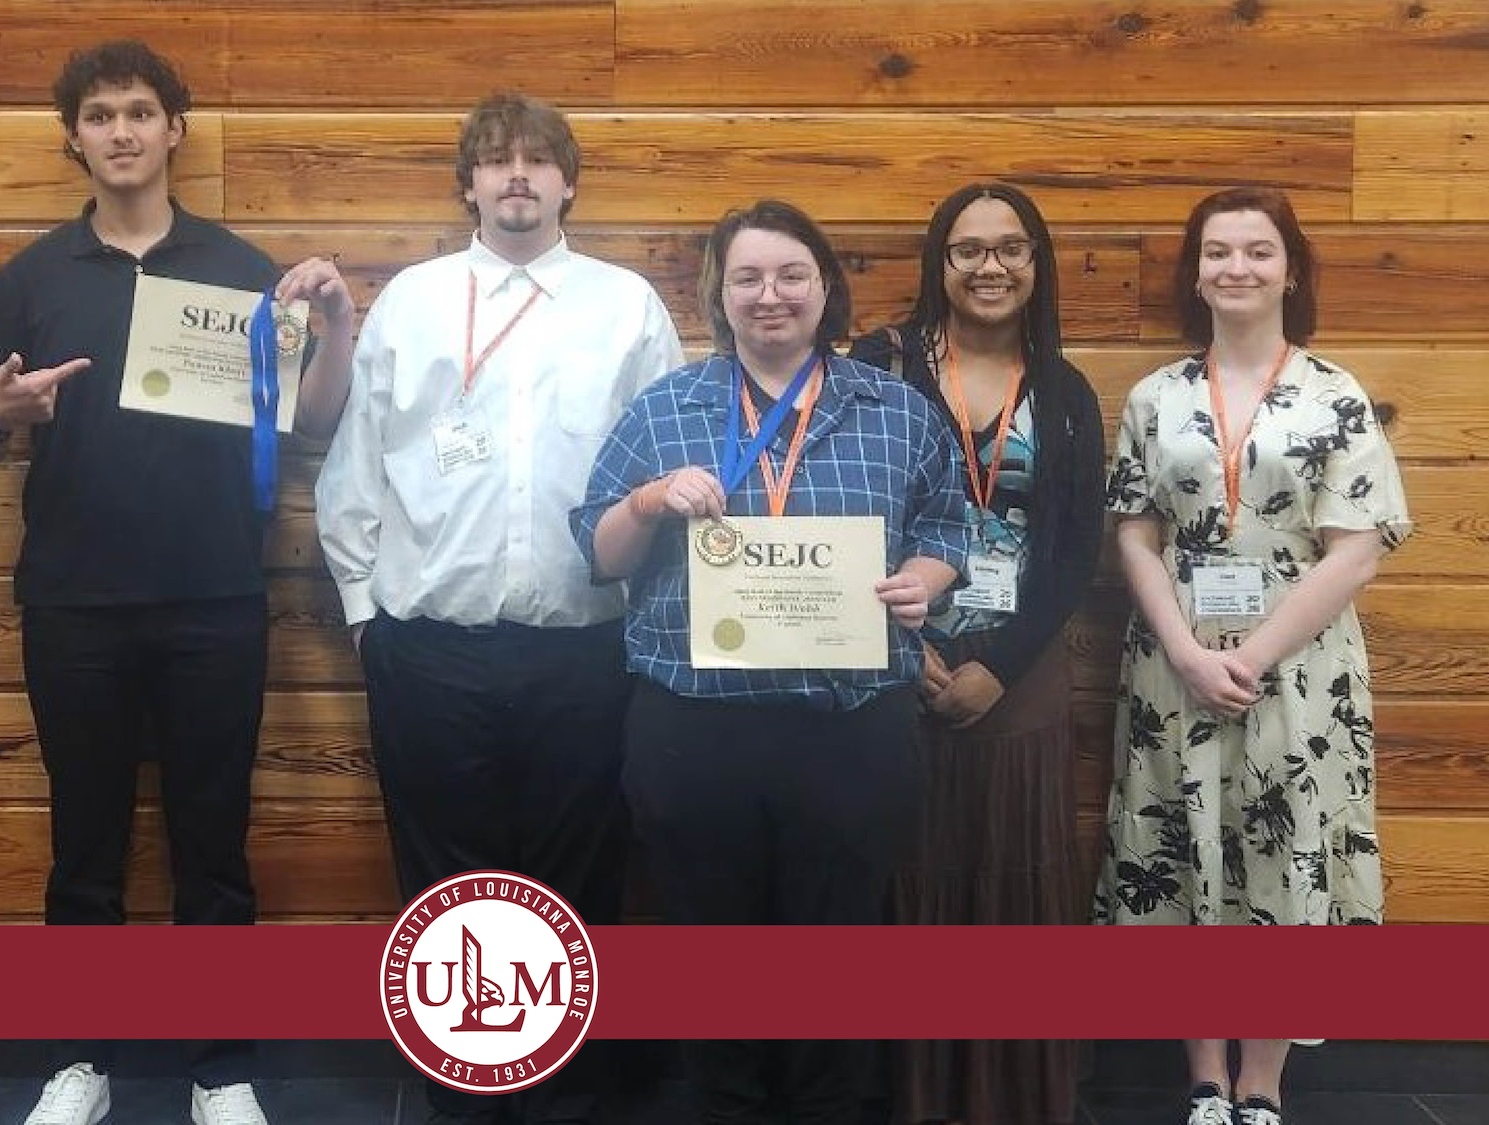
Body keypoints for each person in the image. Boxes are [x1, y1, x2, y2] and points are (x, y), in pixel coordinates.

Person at [0, 40, 354, 1125]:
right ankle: (79, 1060)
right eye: (98, 115)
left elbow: (309, 425)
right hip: (72, 602)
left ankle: (219, 1068)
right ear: (73, 137)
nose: (120, 131)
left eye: (139, 112)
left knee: (211, 843)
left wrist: (334, 329)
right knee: (82, 845)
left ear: (174, 129)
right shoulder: (34, 276)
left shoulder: (239, 268)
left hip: (214, 597)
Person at [312, 91, 682, 1123]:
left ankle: (561, 1095)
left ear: (567, 180)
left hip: (584, 649)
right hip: (427, 645)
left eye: (535, 160)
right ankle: (464, 1095)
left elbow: (665, 466)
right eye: (494, 161)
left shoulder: (626, 307)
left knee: (575, 876)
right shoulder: (415, 302)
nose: (515, 176)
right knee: (445, 881)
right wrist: (361, 606)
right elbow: (357, 465)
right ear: (466, 183)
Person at [573, 199, 969, 1124]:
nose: (770, 295)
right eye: (746, 277)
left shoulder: (897, 410)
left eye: (792, 274)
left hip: (849, 731)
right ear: (718, 293)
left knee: (839, 951)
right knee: (711, 951)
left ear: (825, 286)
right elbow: (594, 551)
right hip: (695, 732)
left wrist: (923, 578)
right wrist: (648, 499)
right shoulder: (665, 409)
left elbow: (952, 526)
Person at [1092, 188, 1411, 1125]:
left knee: (1283, 847)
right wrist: (1188, 652)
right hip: (1172, 665)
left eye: (1258, 251)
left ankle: (1263, 1081)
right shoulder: (1157, 397)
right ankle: (1202, 1075)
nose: (1237, 268)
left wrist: (1256, 654)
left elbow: (1356, 545)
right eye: (1218, 252)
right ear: (1194, 272)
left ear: (1291, 268)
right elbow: (1135, 533)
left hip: (1301, 671)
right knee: (1183, 850)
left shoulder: (1336, 394)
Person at [847, 183, 1103, 1125]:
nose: (989, 267)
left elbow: (1075, 547)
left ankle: (1009, 1093)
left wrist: (1002, 660)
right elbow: (844, 506)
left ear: (1035, 263)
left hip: (1019, 671)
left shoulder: (1066, 392)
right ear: (937, 262)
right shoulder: (879, 366)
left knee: (1009, 878)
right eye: (967, 250)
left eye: (1010, 248)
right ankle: (909, 1092)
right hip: (894, 661)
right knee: (908, 869)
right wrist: (894, 644)